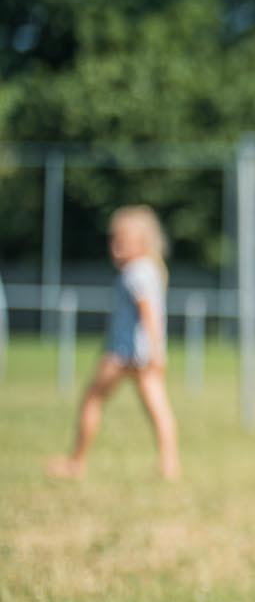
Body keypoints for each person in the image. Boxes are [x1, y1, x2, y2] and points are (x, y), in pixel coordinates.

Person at [46, 205, 180, 482]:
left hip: (123, 353)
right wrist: (157, 351)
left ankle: (76, 462)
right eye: (113, 240)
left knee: (92, 398)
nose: (116, 246)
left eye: (123, 240)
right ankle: (169, 465)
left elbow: (148, 314)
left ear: (142, 242)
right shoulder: (151, 270)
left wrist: (155, 350)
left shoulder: (134, 272)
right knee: (158, 410)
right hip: (145, 355)